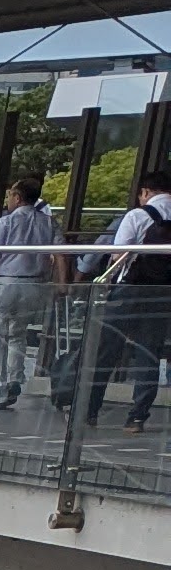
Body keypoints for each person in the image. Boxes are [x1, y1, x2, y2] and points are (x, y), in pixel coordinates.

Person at [86, 174, 171, 429]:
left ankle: (89, 410)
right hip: (163, 291)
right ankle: (137, 417)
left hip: (131, 288)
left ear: (146, 191)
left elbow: (118, 254)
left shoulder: (138, 215)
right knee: (149, 352)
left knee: (107, 347)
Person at [0, 175, 61, 406]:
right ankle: (15, 378)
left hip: (5, 283)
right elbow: (61, 253)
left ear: (18, 198)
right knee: (18, 333)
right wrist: (63, 283)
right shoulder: (49, 222)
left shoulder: (5, 223)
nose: (8, 199)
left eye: (10, 194)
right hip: (34, 285)